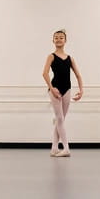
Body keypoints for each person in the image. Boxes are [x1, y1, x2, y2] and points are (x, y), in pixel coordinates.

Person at [42, 29, 83, 157]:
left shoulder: (70, 58)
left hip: (67, 89)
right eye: (56, 37)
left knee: (61, 120)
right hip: (55, 89)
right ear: (53, 40)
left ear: (65, 40)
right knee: (60, 118)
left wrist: (81, 90)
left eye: (61, 37)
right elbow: (45, 73)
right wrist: (52, 88)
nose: (58, 39)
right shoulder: (51, 56)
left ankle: (54, 148)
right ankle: (66, 148)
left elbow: (77, 75)